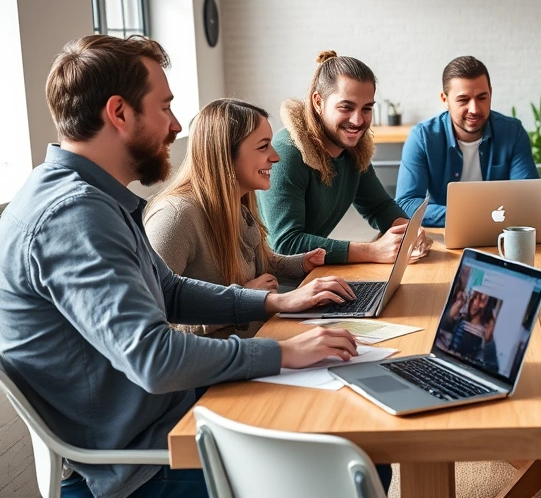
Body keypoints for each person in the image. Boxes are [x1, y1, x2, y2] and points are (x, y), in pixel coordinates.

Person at [0, 35, 387, 498]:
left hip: (173, 416)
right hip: (144, 460)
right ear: (119, 113)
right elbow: (155, 358)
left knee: (359, 444)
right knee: (352, 471)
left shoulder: (90, 198)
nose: (177, 125)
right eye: (164, 107)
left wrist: (273, 300)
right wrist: (283, 352)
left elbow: (172, 291)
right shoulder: (74, 216)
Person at [145, 98, 337, 338]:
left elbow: (259, 263)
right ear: (226, 152)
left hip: (254, 345)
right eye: (263, 146)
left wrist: (302, 263)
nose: (275, 157)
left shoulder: (238, 202)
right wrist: (245, 299)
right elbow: (154, 326)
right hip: (217, 367)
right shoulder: (174, 219)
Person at [257, 51, 430, 264]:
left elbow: (378, 206)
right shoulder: (287, 154)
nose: (358, 120)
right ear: (318, 102)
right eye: (346, 107)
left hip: (309, 273)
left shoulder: (354, 150)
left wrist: (408, 231)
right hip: (271, 281)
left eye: (366, 109)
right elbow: (285, 244)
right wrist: (372, 251)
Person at [395, 56, 539, 227]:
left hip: (500, 234)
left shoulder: (512, 132)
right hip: (446, 234)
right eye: (463, 100)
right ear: (445, 100)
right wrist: (473, 216)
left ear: (490, 94)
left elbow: (528, 198)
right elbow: (407, 203)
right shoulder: (423, 137)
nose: (474, 109)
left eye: (482, 98)